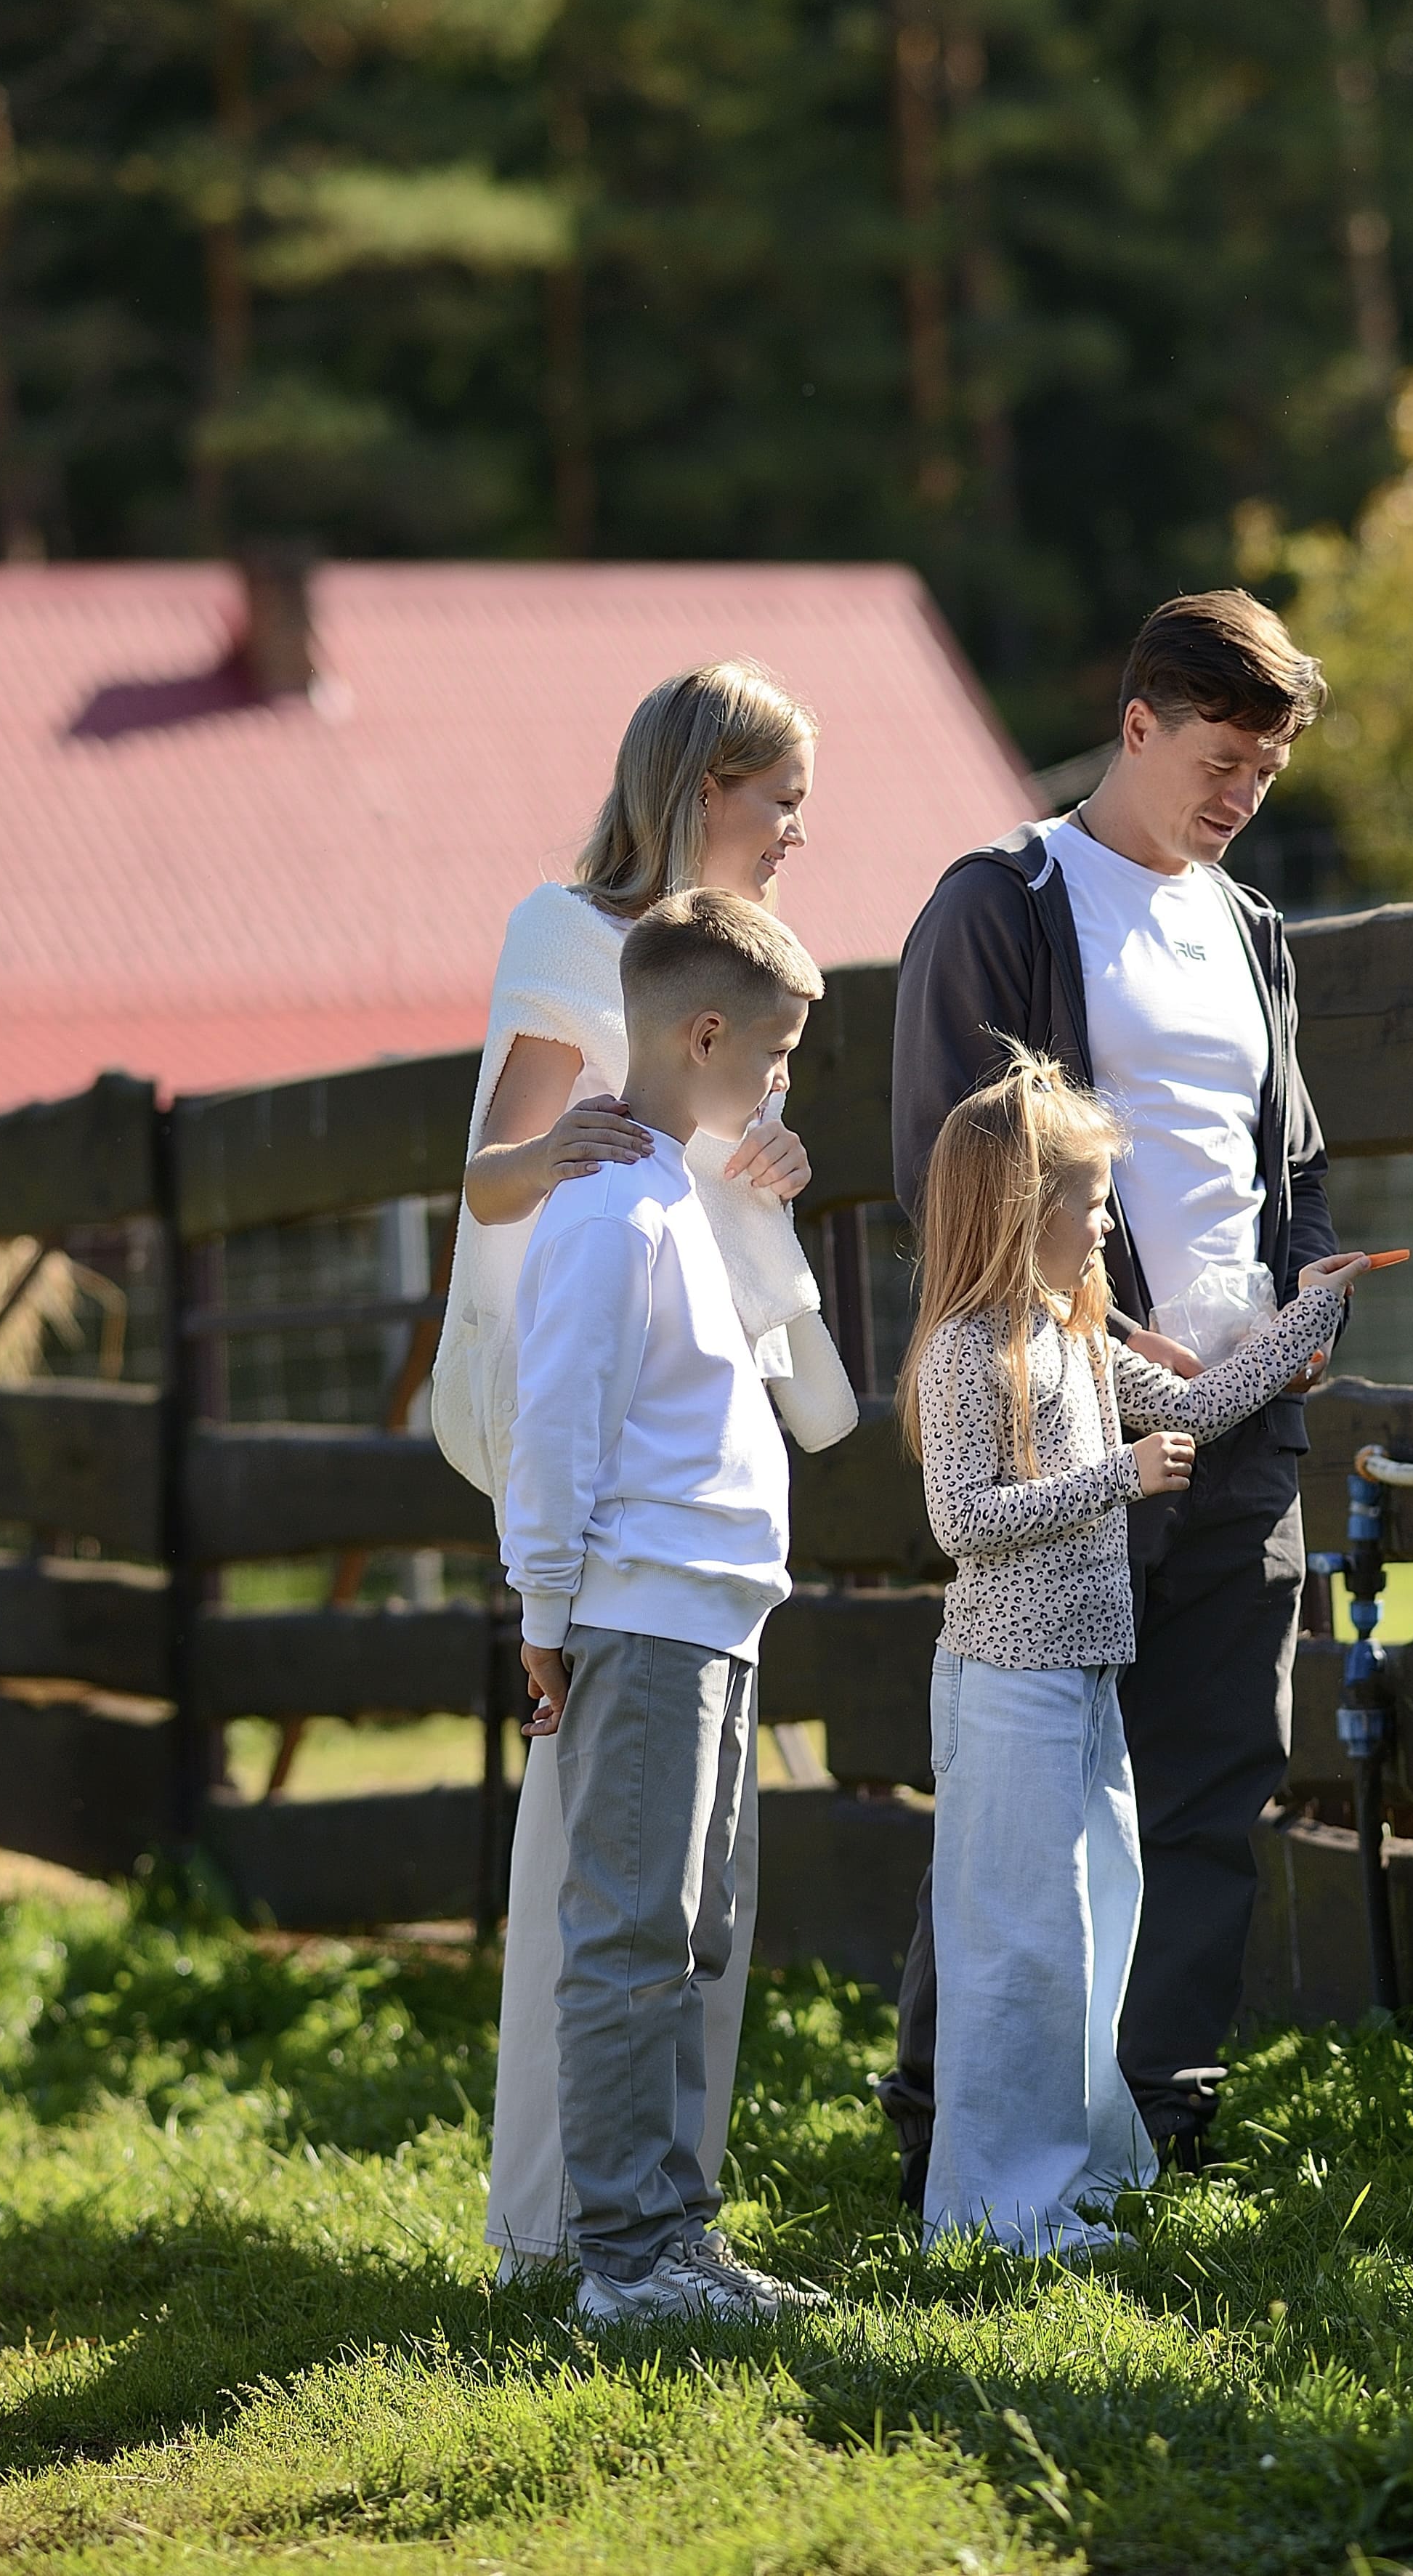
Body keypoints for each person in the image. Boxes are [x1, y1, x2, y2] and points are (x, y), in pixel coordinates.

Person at [880, 588, 1336, 2198]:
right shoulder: (1002, 900)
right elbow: (963, 1173)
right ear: (1135, 724)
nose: (1239, 795)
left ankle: (1159, 2116)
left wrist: (1307, 1299)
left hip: (1244, 1428)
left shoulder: (1252, 928)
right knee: (1036, 1788)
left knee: (1212, 1770)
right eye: (1219, 758)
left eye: (1266, 772)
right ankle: (961, 2117)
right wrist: (1125, 1359)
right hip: (1070, 1418)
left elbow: (1295, 1160)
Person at [435, 658, 863, 2280]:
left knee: (687, 1905)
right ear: (700, 790)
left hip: (699, 1441)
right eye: (780, 809)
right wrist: (569, 1157)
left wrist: (764, 1167)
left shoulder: (743, 970)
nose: (794, 838)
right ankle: (579, 2222)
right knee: (611, 1892)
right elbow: (502, 1173)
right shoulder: (576, 941)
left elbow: (712, 1163)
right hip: (613, 1457)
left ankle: (656, 2216)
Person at [902, 1051, 1379, 2253]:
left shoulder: (1065, 1339)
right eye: (1094, 1200)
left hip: (1077, 1681)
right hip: (1007, 1686)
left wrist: (1308, 1311)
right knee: (1020, 1947)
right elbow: (962, 1525)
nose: (1109, 1220)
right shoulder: (971, 1350)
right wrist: (1119, 1475)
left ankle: (1057, 2178)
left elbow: (1206, 1400)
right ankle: (995, 2210)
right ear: (1029, 1211)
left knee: (1089, 1928)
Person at [499, 887, 833, 2324]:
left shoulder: (683, 1195)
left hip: (713, 1618)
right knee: (631, 1935)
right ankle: (621, 2257)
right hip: (641, 1621)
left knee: (690, 1939)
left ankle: (679, 2232)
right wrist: (546, 1604)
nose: (774, 1088)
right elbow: (558, 1417)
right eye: (770, 1059)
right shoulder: (606, 1211)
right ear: (704, 1033)